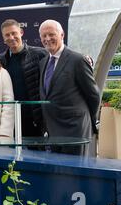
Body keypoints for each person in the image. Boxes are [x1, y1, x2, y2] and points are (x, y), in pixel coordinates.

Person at [38, 19, 100, 155]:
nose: (47, 39)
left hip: (75, 131)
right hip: (53, 131)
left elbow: (93, 95)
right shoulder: (43, 63)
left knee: (75, 174)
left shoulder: (77, 60)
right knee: (58, 174)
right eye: (44, 36)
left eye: (51, 34)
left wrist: (88, 121)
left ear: (62, 35)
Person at [0, 19, 48, 138]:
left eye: (14, 33)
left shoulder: (40, 54)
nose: (11, 37)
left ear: (21, 32)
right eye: (7, 35)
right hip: (10, 121)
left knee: (37, 156)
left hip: (35, 120)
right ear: (3, 38)